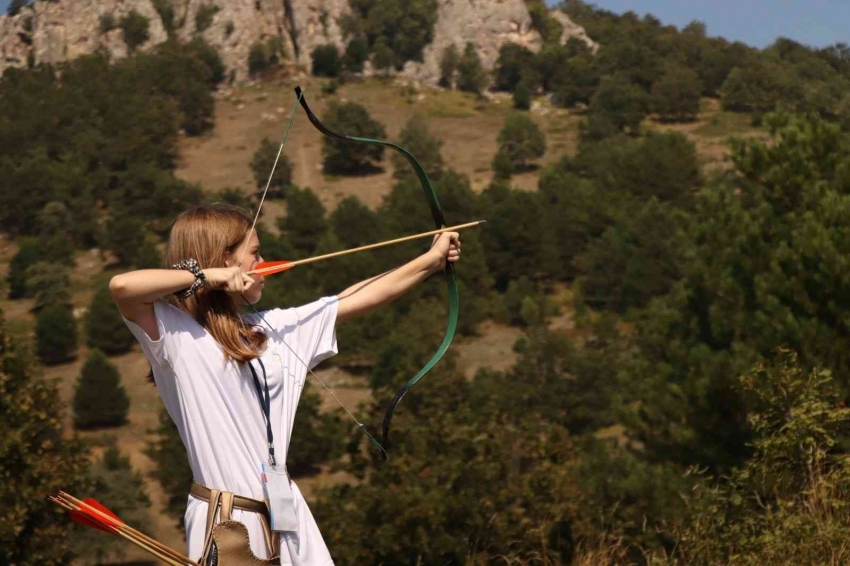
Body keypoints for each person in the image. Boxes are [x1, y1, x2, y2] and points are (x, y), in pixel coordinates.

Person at [109, 204, 461, 565]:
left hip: (286, 513)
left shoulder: (271, 331)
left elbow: (352, 300)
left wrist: (430, 261)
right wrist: (208, 276)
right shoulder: (174, 335)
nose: (264, 262)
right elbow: (123, 287)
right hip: (228, 522)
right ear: (223, 258)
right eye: (255, 253)